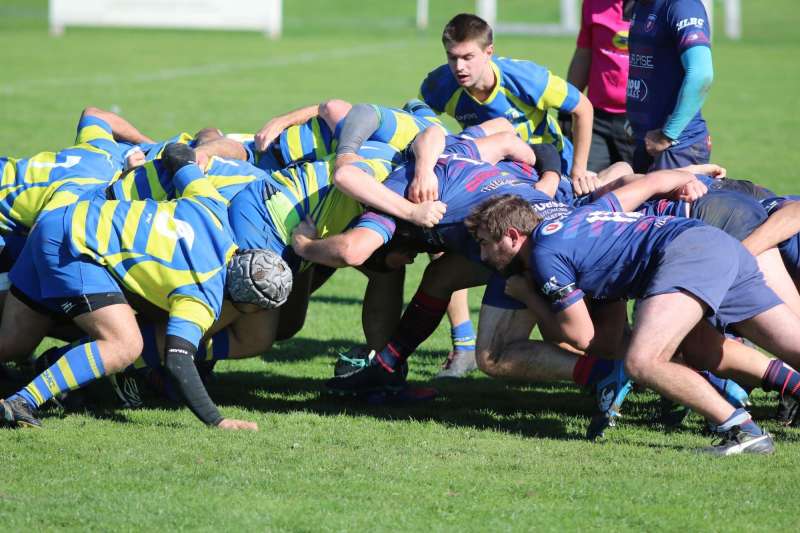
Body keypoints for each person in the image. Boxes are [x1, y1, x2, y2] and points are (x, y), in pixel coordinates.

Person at [462, 185, 800, 454]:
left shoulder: (543, 253)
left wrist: (529, 297)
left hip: (686, 253)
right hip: (716, 241)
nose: (482, 255)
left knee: (643, 362)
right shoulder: (576, 219)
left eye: (484, 243)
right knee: (710, 350)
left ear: (512, 235)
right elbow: (604, 338)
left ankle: (742, 431)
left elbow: (580, 336)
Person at [0, 144, 292, 430]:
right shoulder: (203, 297)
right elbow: (178, 360)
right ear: (249, 306)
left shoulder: (211, 206)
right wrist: (218, 420)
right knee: (124, 344)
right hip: (75, 248)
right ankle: (22, 402)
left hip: (60, 217)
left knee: (10, 344)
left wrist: (198, 156)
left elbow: (177, 154)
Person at [419, 13, 596, 194]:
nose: (459, 67)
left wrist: (579, 171)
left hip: (552, 167)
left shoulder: (527, 78)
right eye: (452, 57)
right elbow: (416, 121)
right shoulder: (439, 85)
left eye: (468, 57)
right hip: (499, 171)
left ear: (488, 52)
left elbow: (583, 108)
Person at [627, 0, 713, 172]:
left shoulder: (683, 6)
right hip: (646, 142)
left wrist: (667, 135)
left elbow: (701, 75)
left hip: (676, 147)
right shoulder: (639, 5)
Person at [565, 0, 636, 171]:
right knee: (583, 179)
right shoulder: (593, 3)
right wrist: (567, 106)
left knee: (639, 182)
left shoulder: (660, 6)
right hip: (596, 119)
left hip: (640, 120)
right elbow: (584, 53)